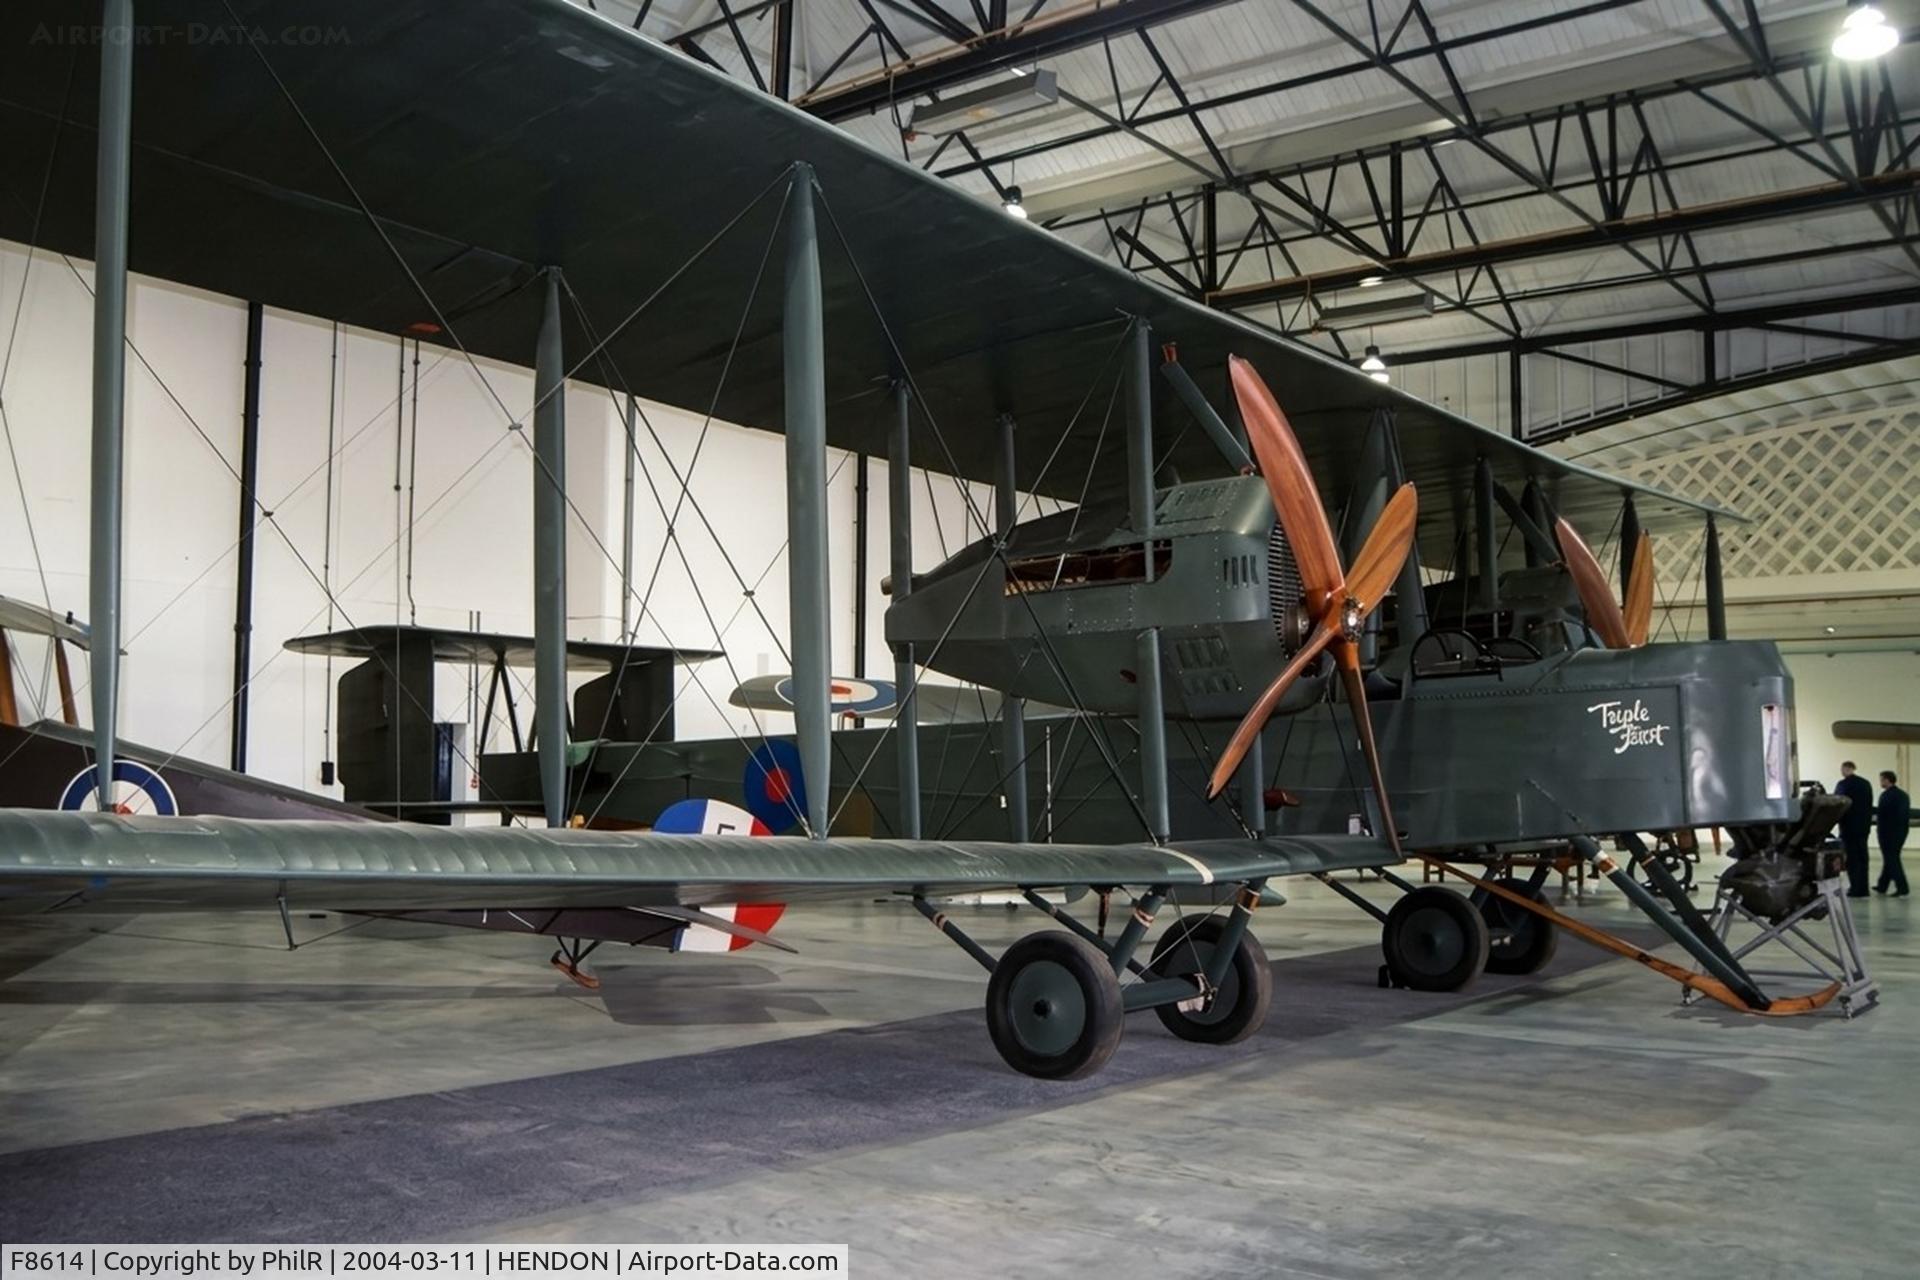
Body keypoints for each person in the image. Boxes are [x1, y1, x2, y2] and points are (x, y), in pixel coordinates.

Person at [1836, 761, 1874, 897]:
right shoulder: (1866, 783)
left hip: (1848, 827)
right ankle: (1864, 889)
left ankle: (1855, 889)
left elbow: (1838, 803)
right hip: (1864, 827)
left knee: (1852, 859)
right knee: (1863, 858)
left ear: (1846, 769)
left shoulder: (1843, 784)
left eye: (1842, 769)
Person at [1875, 770, 1911, 897]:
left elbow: (1882, 813)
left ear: (1886, 780)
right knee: (1890, 858)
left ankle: (1902, 887)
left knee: (1892, 859)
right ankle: (1882, 886)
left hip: (1888, 833)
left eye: (1881, 779)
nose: (1880, 782)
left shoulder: (1886, 796)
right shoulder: (1903, 795)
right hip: (1900, 831)